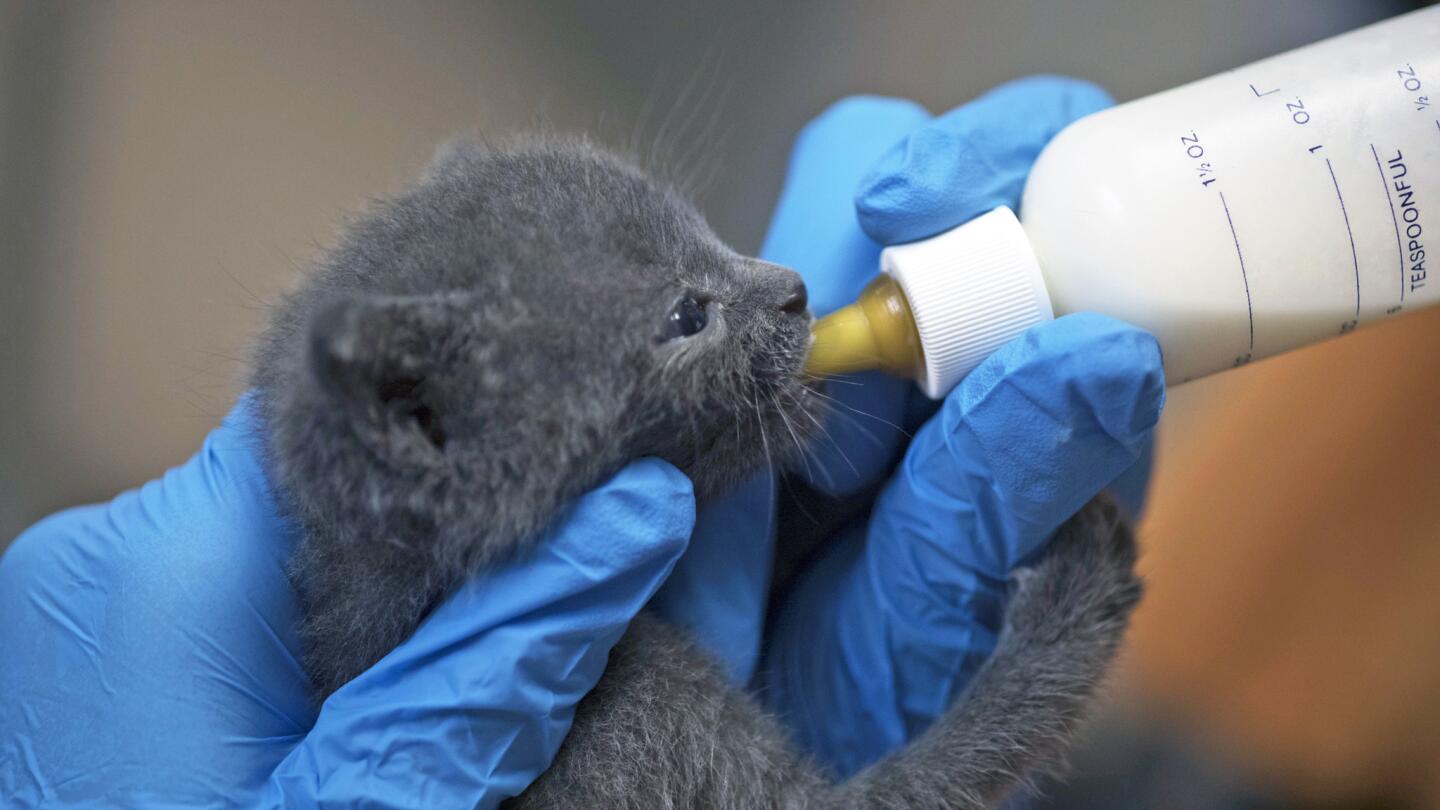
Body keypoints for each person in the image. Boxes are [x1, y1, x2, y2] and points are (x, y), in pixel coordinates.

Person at [0, 76, 1163, 807]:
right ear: (423, 422)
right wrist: (1040, 664)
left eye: (710, 248)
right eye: (687, 317)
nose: (782, 287)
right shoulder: (580, 726)